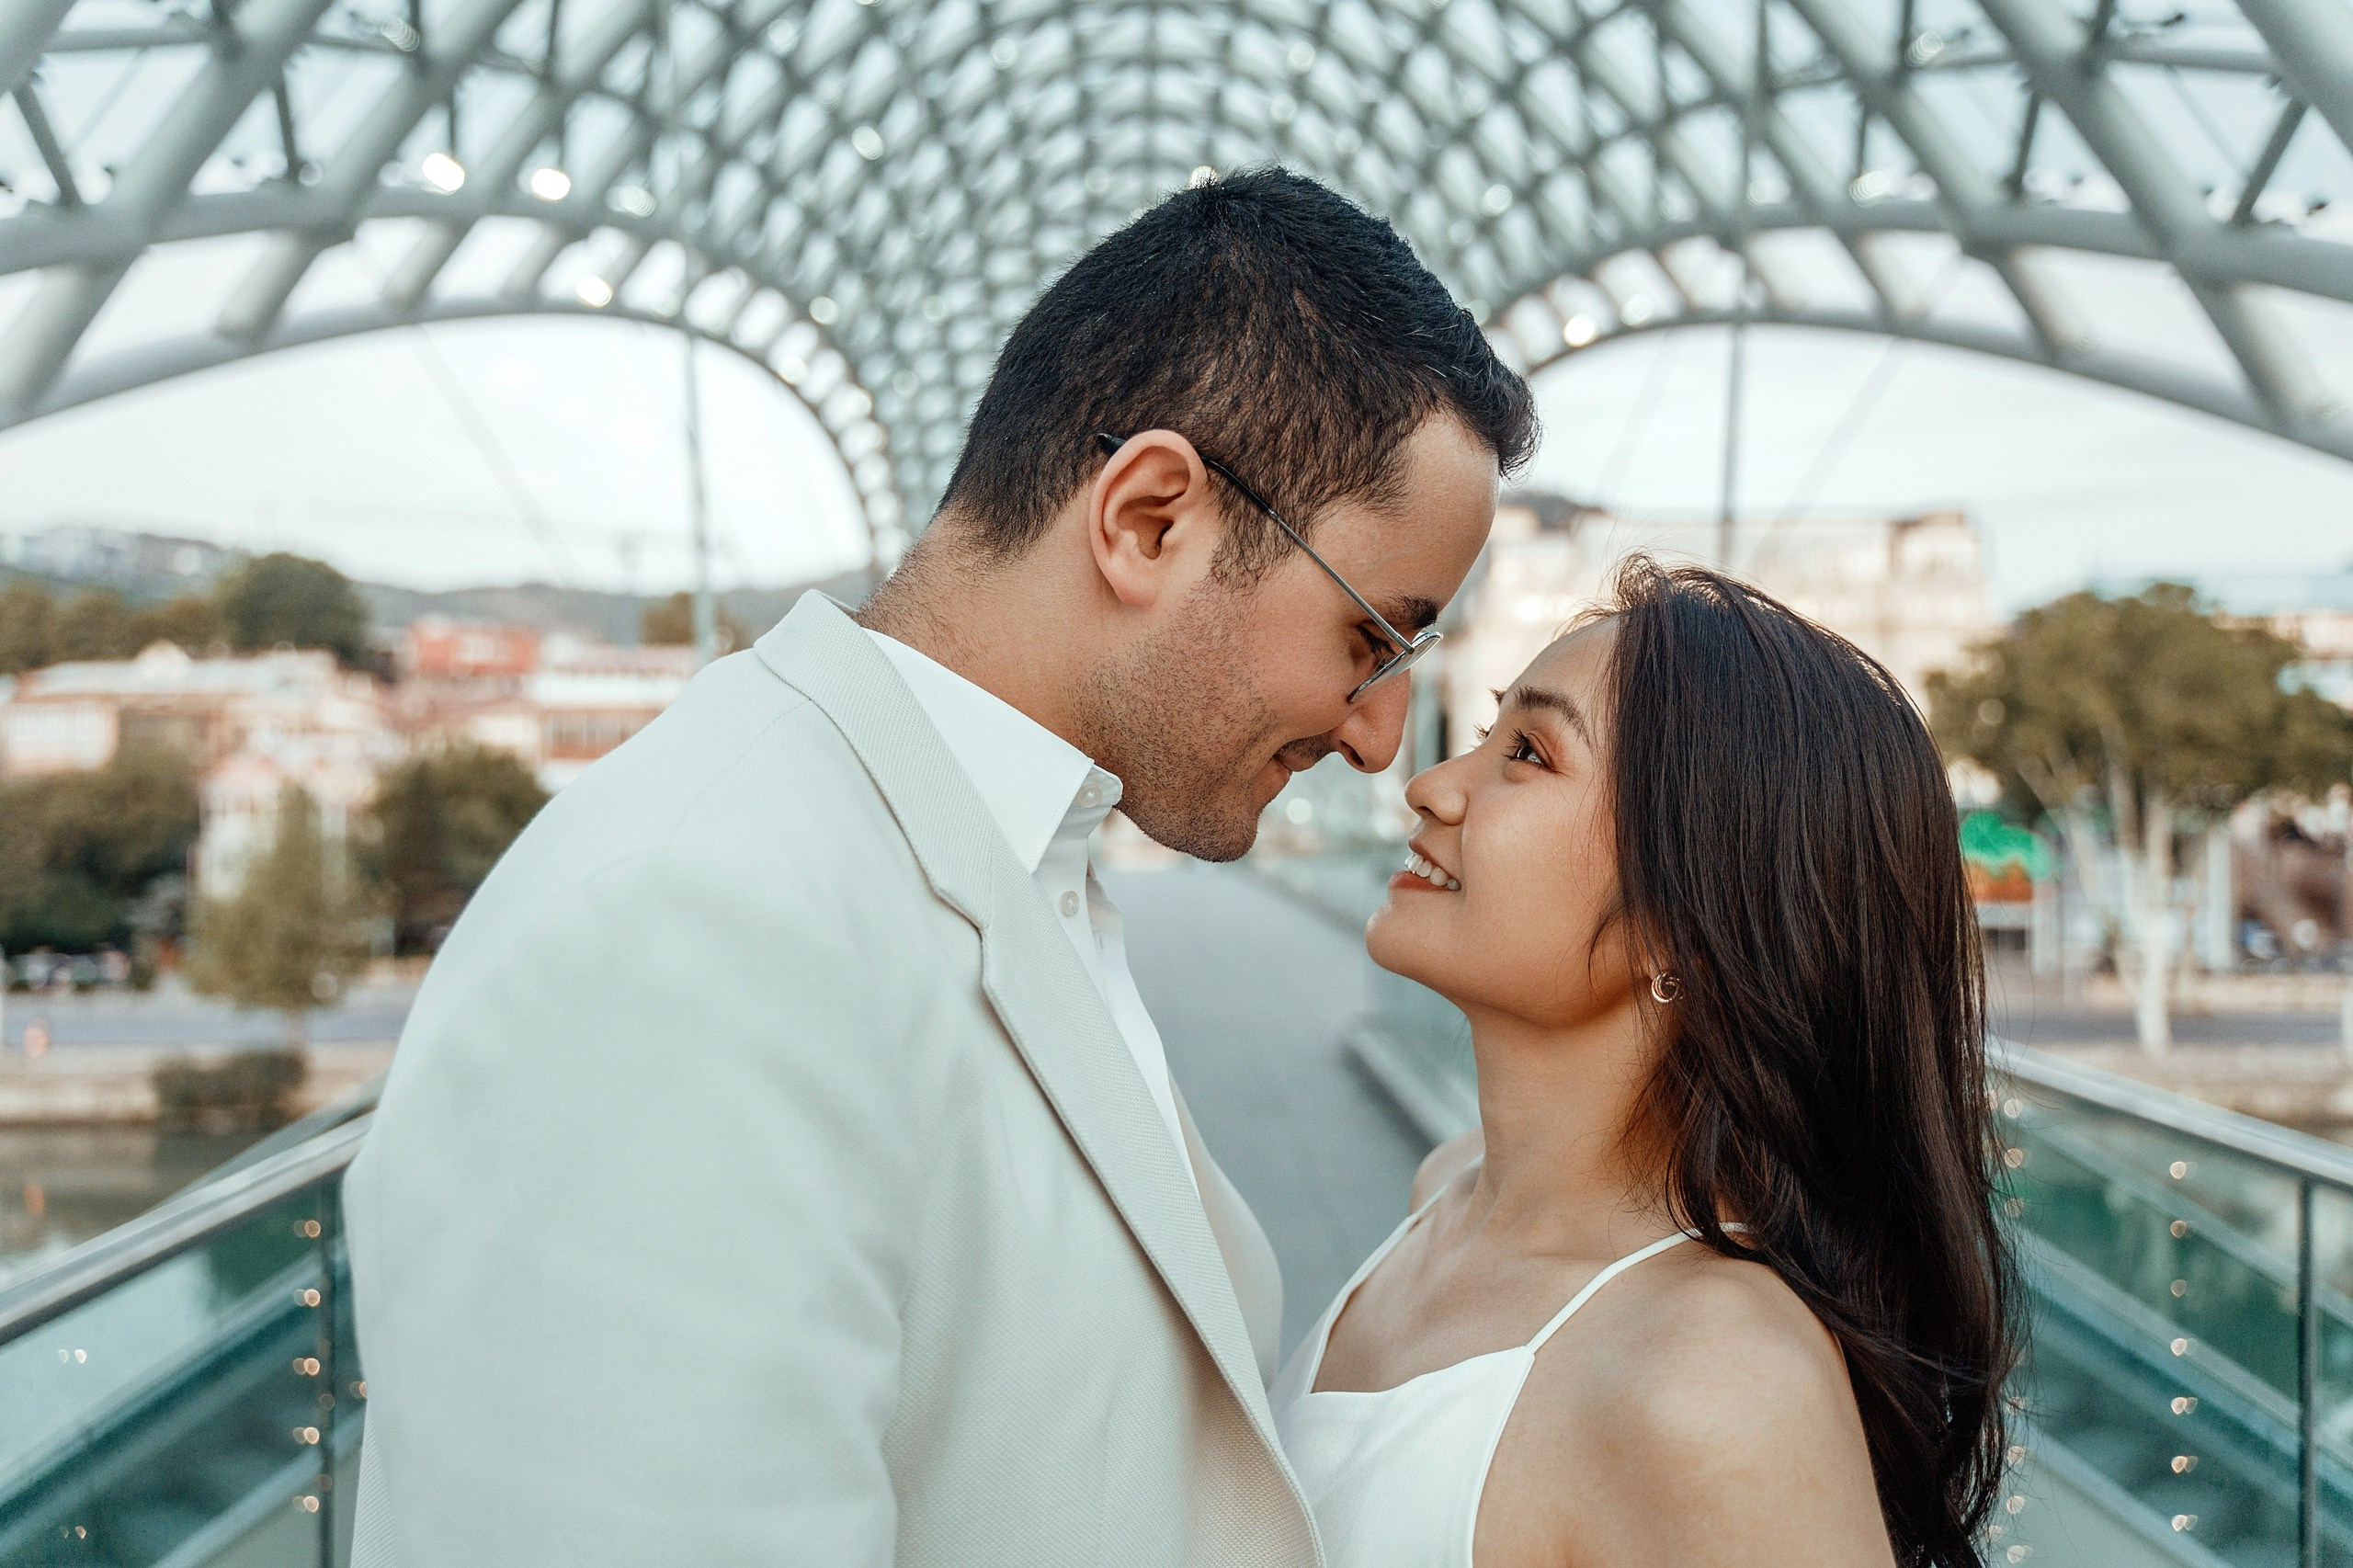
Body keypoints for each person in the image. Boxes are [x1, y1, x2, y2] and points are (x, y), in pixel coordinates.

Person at [341, 168, 1535, 1567]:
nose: (1382, 737)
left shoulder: (995, 855)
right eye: (1369, 638)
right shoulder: (691, 927)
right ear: (1148, 517)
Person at [1272, 559, 2014, 1568]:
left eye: (1528, 753)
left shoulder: (1717, 1377)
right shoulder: (1447, 1190)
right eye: (1488, 731)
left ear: (1694, 920)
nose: (1430, 785)